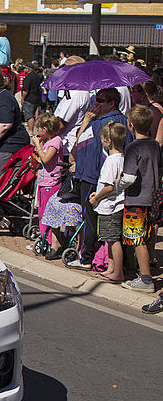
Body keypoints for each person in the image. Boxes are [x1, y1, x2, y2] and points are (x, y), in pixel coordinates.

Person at [69, 88, 129, 271]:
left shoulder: (98, 124)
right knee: (112, 222)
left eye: (101, 100)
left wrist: (86, 120)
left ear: (111, 103)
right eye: (96, 99)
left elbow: (77, 145)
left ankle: (86, 257)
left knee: (90, 219)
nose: (96, 104)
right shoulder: (125, 121)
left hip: (93, 176)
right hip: (115, 179)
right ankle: (113, 261)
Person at [115, 105, 160, 292]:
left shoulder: (134, 147)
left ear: (131, 125)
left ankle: (146, 278)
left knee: (137, 239)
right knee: (148, 236)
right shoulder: (155, 145)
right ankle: (147, 269)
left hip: (136, 199)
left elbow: (129, 178)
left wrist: (117, 185)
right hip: (154, 197)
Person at [87, 122, 127, 283]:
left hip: (111, 206)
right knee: (109, 239)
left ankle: (118, 271)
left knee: (113, 240)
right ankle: (111, 268)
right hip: (109, 204)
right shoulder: (120, 158)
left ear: (108, 141)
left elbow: (109, 186)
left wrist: (96, 198)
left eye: (103, 139)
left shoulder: (112, 160)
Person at [0, 68, 30, 175]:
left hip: (9, 145)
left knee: (2, 180)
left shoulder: (5, 98)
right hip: (0, 145)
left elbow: (5, 124)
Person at [30, 113, 65, 251]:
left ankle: (50, 242)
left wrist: (38, 145)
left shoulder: (55, 141)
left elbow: (46, 159)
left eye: (40, 128)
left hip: (51, 183)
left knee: (48, 214)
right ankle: (44, 239)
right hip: (43, 182)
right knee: (42, 213)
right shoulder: (48, 142)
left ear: (46, 128)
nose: (38, 131)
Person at [22, 62, 43, 132]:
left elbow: (26, 89)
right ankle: (35, 130)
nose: (24, 70)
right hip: (36, 98)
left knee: (29, 116)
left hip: (29, 98)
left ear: (28, 69)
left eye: (25, 68)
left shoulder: (29, 77)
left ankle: (30, 131)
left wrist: (23, 98)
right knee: (34, 115)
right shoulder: (37, 76)